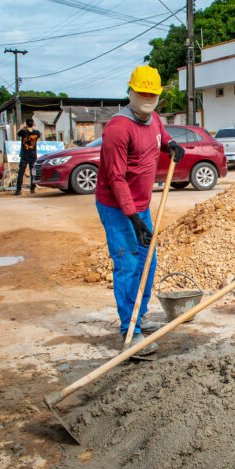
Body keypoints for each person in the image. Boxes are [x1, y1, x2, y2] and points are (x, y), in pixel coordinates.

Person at [95, 65, 184, 354]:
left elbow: (161, 137)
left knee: (148, 261)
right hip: (117, 208)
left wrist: (171, 145)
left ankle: (140, 315)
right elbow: (115, 178)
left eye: (151, 95)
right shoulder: (118, 129)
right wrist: (133, 217)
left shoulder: (153, 118)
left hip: (140, 206)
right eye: (142, 93)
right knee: (129, 264)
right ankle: (129, 331)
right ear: (130, 92)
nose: (147, 99)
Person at [14, 118, 41, 195]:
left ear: (26, 124)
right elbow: (38, 136)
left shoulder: (23, 132)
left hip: (24, 156)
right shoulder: (36, 133)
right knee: (33, 173)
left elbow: (18, 133)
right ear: (33, 124)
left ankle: (18, 190)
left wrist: (22, 126)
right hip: (33, 156)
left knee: (21, 173)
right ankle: (32, 189)